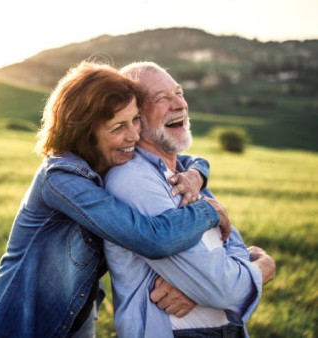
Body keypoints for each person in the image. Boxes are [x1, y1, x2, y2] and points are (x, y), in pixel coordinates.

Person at [0, 61, 232, 338]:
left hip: (78, 310)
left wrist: (197, 174)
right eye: (118, 127)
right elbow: (151, 239)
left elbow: (182, 159)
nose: (134, 135)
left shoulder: (107, 158)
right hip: (28, 319)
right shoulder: (61, 179)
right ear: (86, 133)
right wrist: (208, 211)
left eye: (135, 119)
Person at [104, 61, 276, 338]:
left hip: (226, 329)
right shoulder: (132, 180)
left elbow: (230, 248)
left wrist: (202, 288)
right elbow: (223, 289)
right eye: (161, 98)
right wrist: (265, 267)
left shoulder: (187, 176)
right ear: (135, 117)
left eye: (179, 93)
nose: (179, 105)